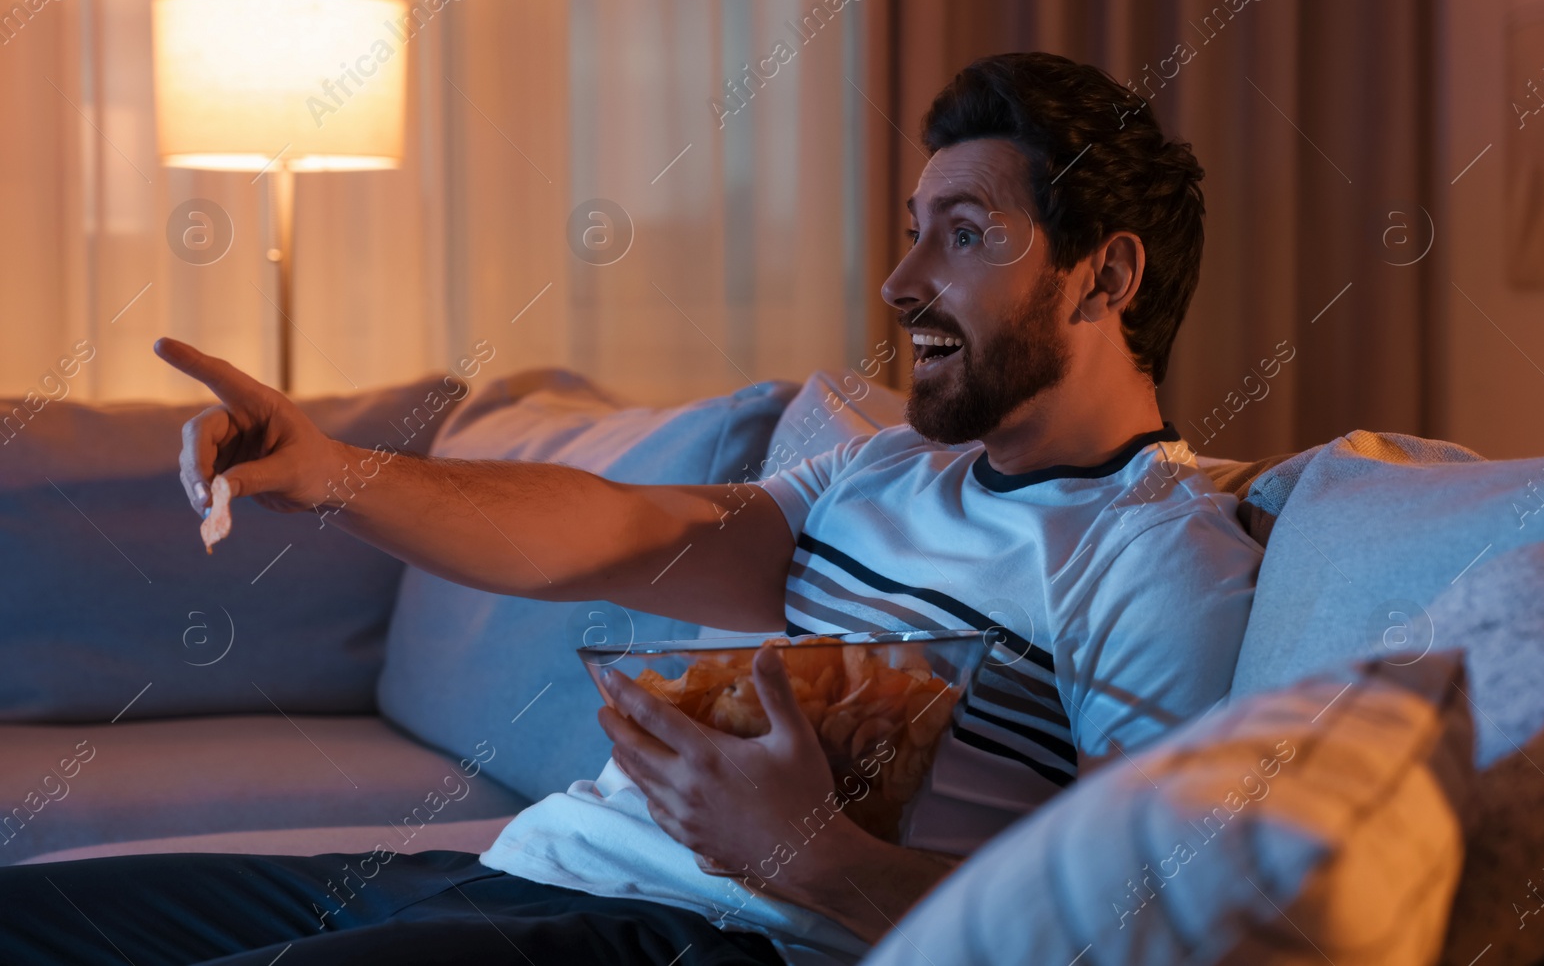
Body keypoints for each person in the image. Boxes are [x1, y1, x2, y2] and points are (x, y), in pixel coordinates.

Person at [0, 53, 1262, 966]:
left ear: (1106, 274)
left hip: (688, 936)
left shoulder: (1154, 557)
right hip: (512, 871)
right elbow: (615, 531)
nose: (900, 278)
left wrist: (813, 857)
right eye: (913, 231)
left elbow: (1140, 925)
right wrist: (337, 471)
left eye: (964, 235)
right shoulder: (880, 471)